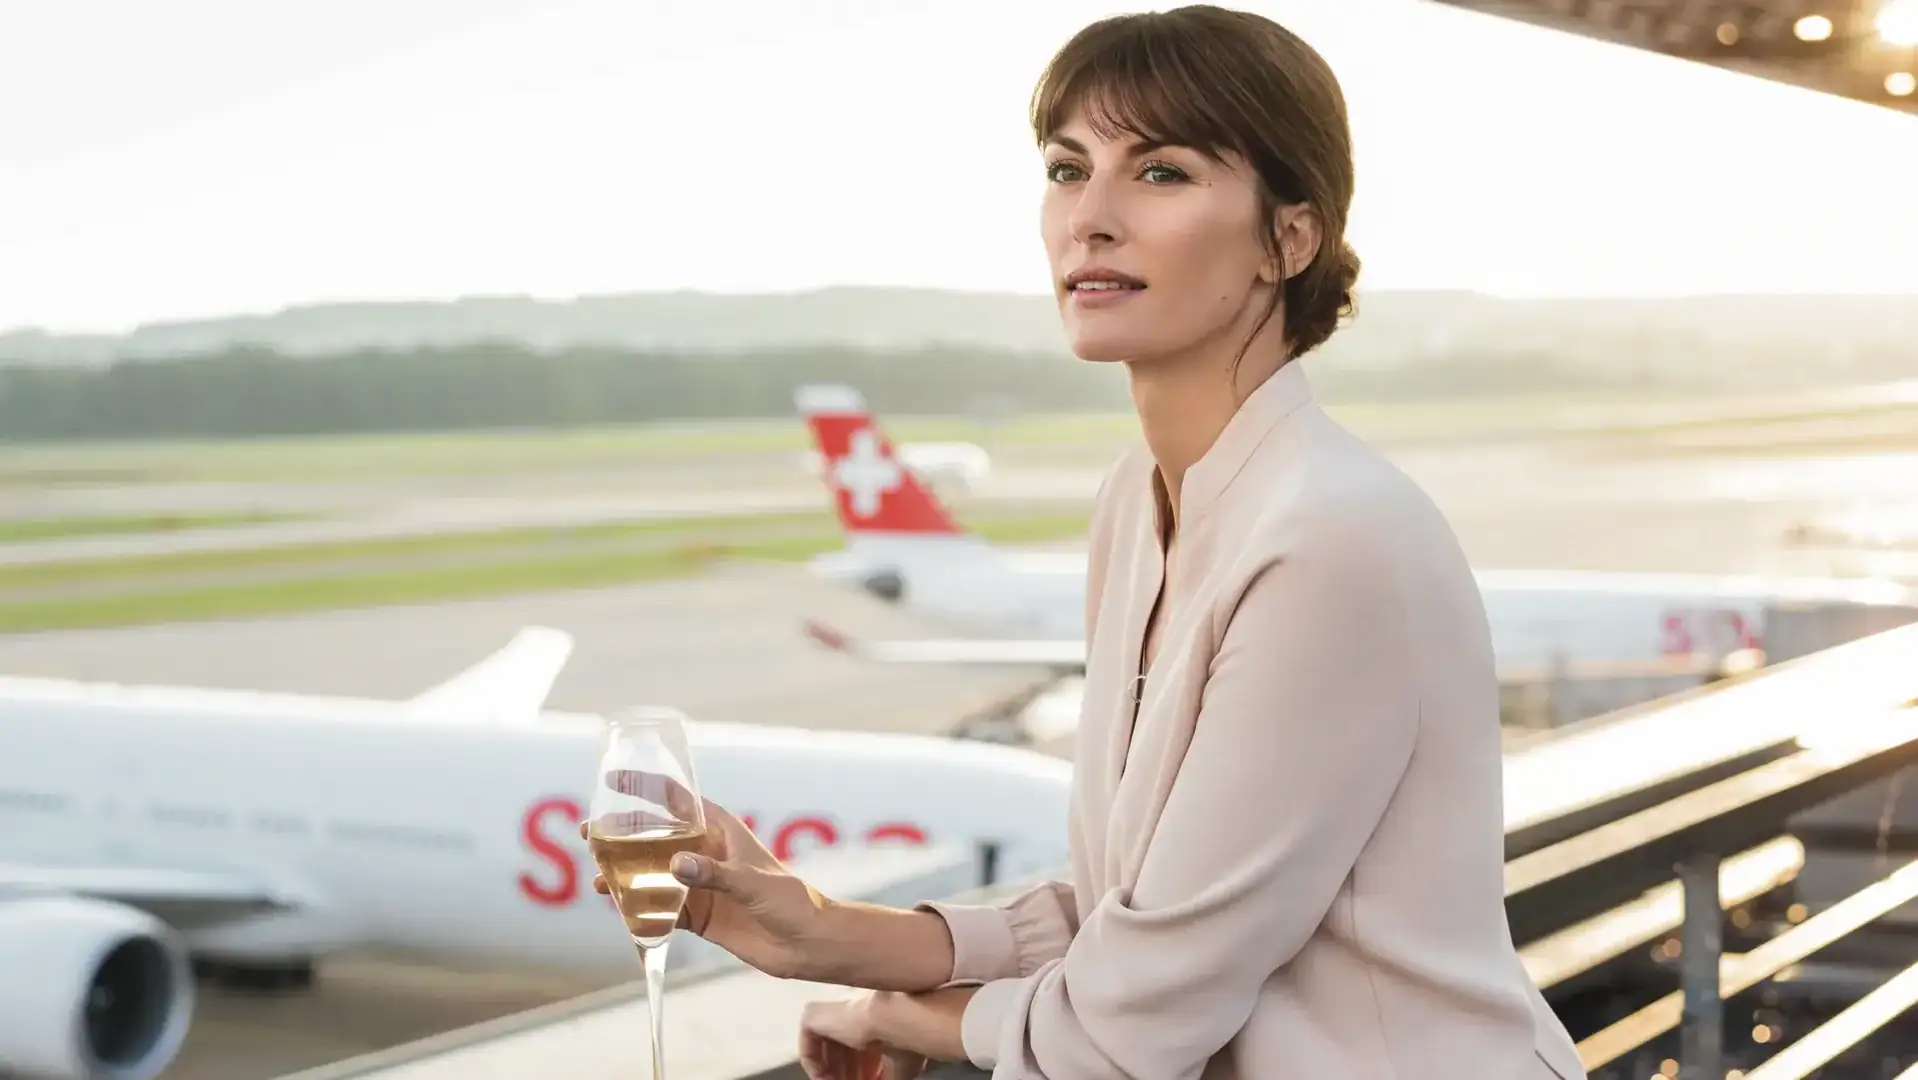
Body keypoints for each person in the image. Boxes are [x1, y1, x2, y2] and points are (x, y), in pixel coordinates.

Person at [591, 6, 1587, 1078]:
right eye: (1068, 169)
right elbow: (1142, 908)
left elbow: (1131, 1023)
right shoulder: (1140, 503)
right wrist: (824, 930)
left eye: (1159, 173)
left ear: (1288, 237)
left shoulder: (1330, 538)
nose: (1091, 219)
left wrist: (905, 1017)